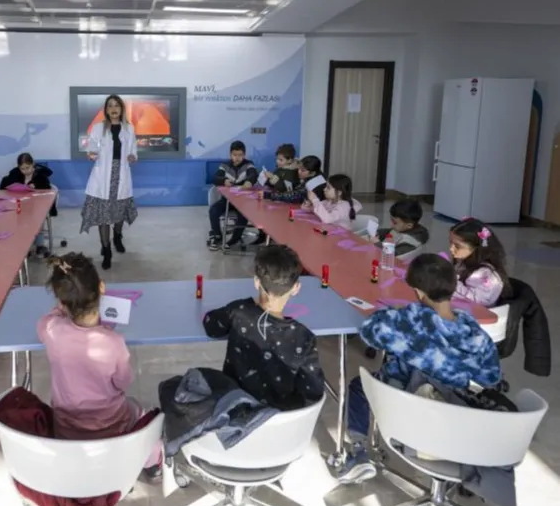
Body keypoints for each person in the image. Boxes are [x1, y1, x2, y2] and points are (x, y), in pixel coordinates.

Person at [337, 254, 502, 483]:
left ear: (418, 292)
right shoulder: (473, 332)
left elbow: (369, 332)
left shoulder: (409, 320)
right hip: (457, 425)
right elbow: (492, 377)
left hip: (409, 416)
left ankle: (359, 452)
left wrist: (393, 312)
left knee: (359, 386)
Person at [36, 252, 160, 475]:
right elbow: (123, 382)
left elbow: (47, 321)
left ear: (61, 301)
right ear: (101, 287)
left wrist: (61, 308)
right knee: (139, 410)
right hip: (112, 427)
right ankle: (152, 463)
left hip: (66, 431)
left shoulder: (51, 329)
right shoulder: (113, 342)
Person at [202, 245, 326, 410]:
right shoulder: (304, 337)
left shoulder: (239, 312)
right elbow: (314, 390)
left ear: (256, 282)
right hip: (280, 419)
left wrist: (245, 305)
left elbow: (211, 326)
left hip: (236, 411)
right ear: (296, 288)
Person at [80, 95, 139, 270]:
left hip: (121, 175)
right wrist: (91, 154)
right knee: (103, 215)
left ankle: (117, 236)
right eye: (110, 106)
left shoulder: (129, 128)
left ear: (121, 109)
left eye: (117, 106)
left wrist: (133, 156)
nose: (113, 109)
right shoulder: (98, 128)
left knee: (119, 213)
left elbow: (133, 150)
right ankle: (106, 250)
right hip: (102, 177)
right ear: (106, 110)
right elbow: (92, 147)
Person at [0, 153, 57, 257]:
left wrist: (36, 185)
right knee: (19, 221)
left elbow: (47, 189)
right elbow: (6, 185)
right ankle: (25, 245)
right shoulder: (15, 174)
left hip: (38, 205)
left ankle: (39, 245)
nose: (25, 171)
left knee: (37, 220)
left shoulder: (40, 175)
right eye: (22, 169)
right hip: (21, 205)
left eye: (28, 167)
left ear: (33, 164)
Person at [207, 140, 260, 251]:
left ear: (244, 155)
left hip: (242, 202)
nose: (237, 158)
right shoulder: (224, 166)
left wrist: (249, 182)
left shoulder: (248, 165)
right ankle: (218, 236)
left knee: (243, 214)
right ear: (230, 154)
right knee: (213, 210)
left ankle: (234, 239)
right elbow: (215, 178)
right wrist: (224, 181)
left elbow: (253, 174)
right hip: (227, 200)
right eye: (234, 155)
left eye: (240, 155)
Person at [449, 218, 512, 306]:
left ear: (476, 248)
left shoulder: (485, 275)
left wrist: (451, 281)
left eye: (457, 246)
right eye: (450, 243)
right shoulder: (463, 263)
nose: (451, 249)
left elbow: (476, 301)